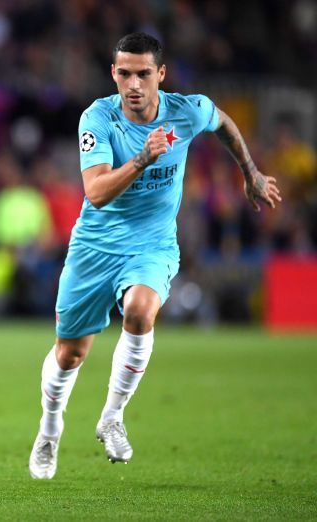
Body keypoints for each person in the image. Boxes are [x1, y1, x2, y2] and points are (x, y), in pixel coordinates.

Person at [28, 32, 281, 480]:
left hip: (152, 244)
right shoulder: (98, 119)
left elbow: (223, 122)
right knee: (70, 354)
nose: (134, 83)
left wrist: (250, 172)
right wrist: (143, 159)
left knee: (141, 312)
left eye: (144, 73)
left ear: (160, 74)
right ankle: (50, 429)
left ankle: (112, 416)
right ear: (113, 74)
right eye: (124, 73)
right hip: (95, 245)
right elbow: (96, 192)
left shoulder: (187, 110)